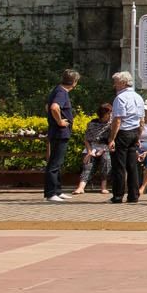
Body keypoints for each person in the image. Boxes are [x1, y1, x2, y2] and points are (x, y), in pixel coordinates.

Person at [104, 71, 147, 204]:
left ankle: (118, 195)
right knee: (132, 166)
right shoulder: (138, 97)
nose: (114, 85)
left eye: (116, 82)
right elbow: (142, 120)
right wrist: (138, 136)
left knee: (119, 166)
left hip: (123, 133)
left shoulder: (120, 98)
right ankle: (134, 195)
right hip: (134, 132)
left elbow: (117, 120)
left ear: (123, 83)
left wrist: (112, 138)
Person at [43, 68, 78, 202]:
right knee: (54, 163)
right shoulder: (61, 92)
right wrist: (59, 121)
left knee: (58, 162)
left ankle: (57, 190)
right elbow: (53, 107)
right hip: (59, 132)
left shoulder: (57, 90)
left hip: (58, 132)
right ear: (74, 82)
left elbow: (48, 106)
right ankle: (51, 193)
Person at [74, 106, 113, 195]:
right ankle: (81, 187)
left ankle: (104, 187)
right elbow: (86, 139)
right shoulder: (92, 123)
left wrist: (102, 150)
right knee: (88, 162)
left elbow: (111, 141)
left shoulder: (112, 124)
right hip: (92, 147)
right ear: (103, 114)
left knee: (106, 159)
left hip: (105, 148)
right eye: (109, 113)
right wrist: (89, 151)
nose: (110, 115)